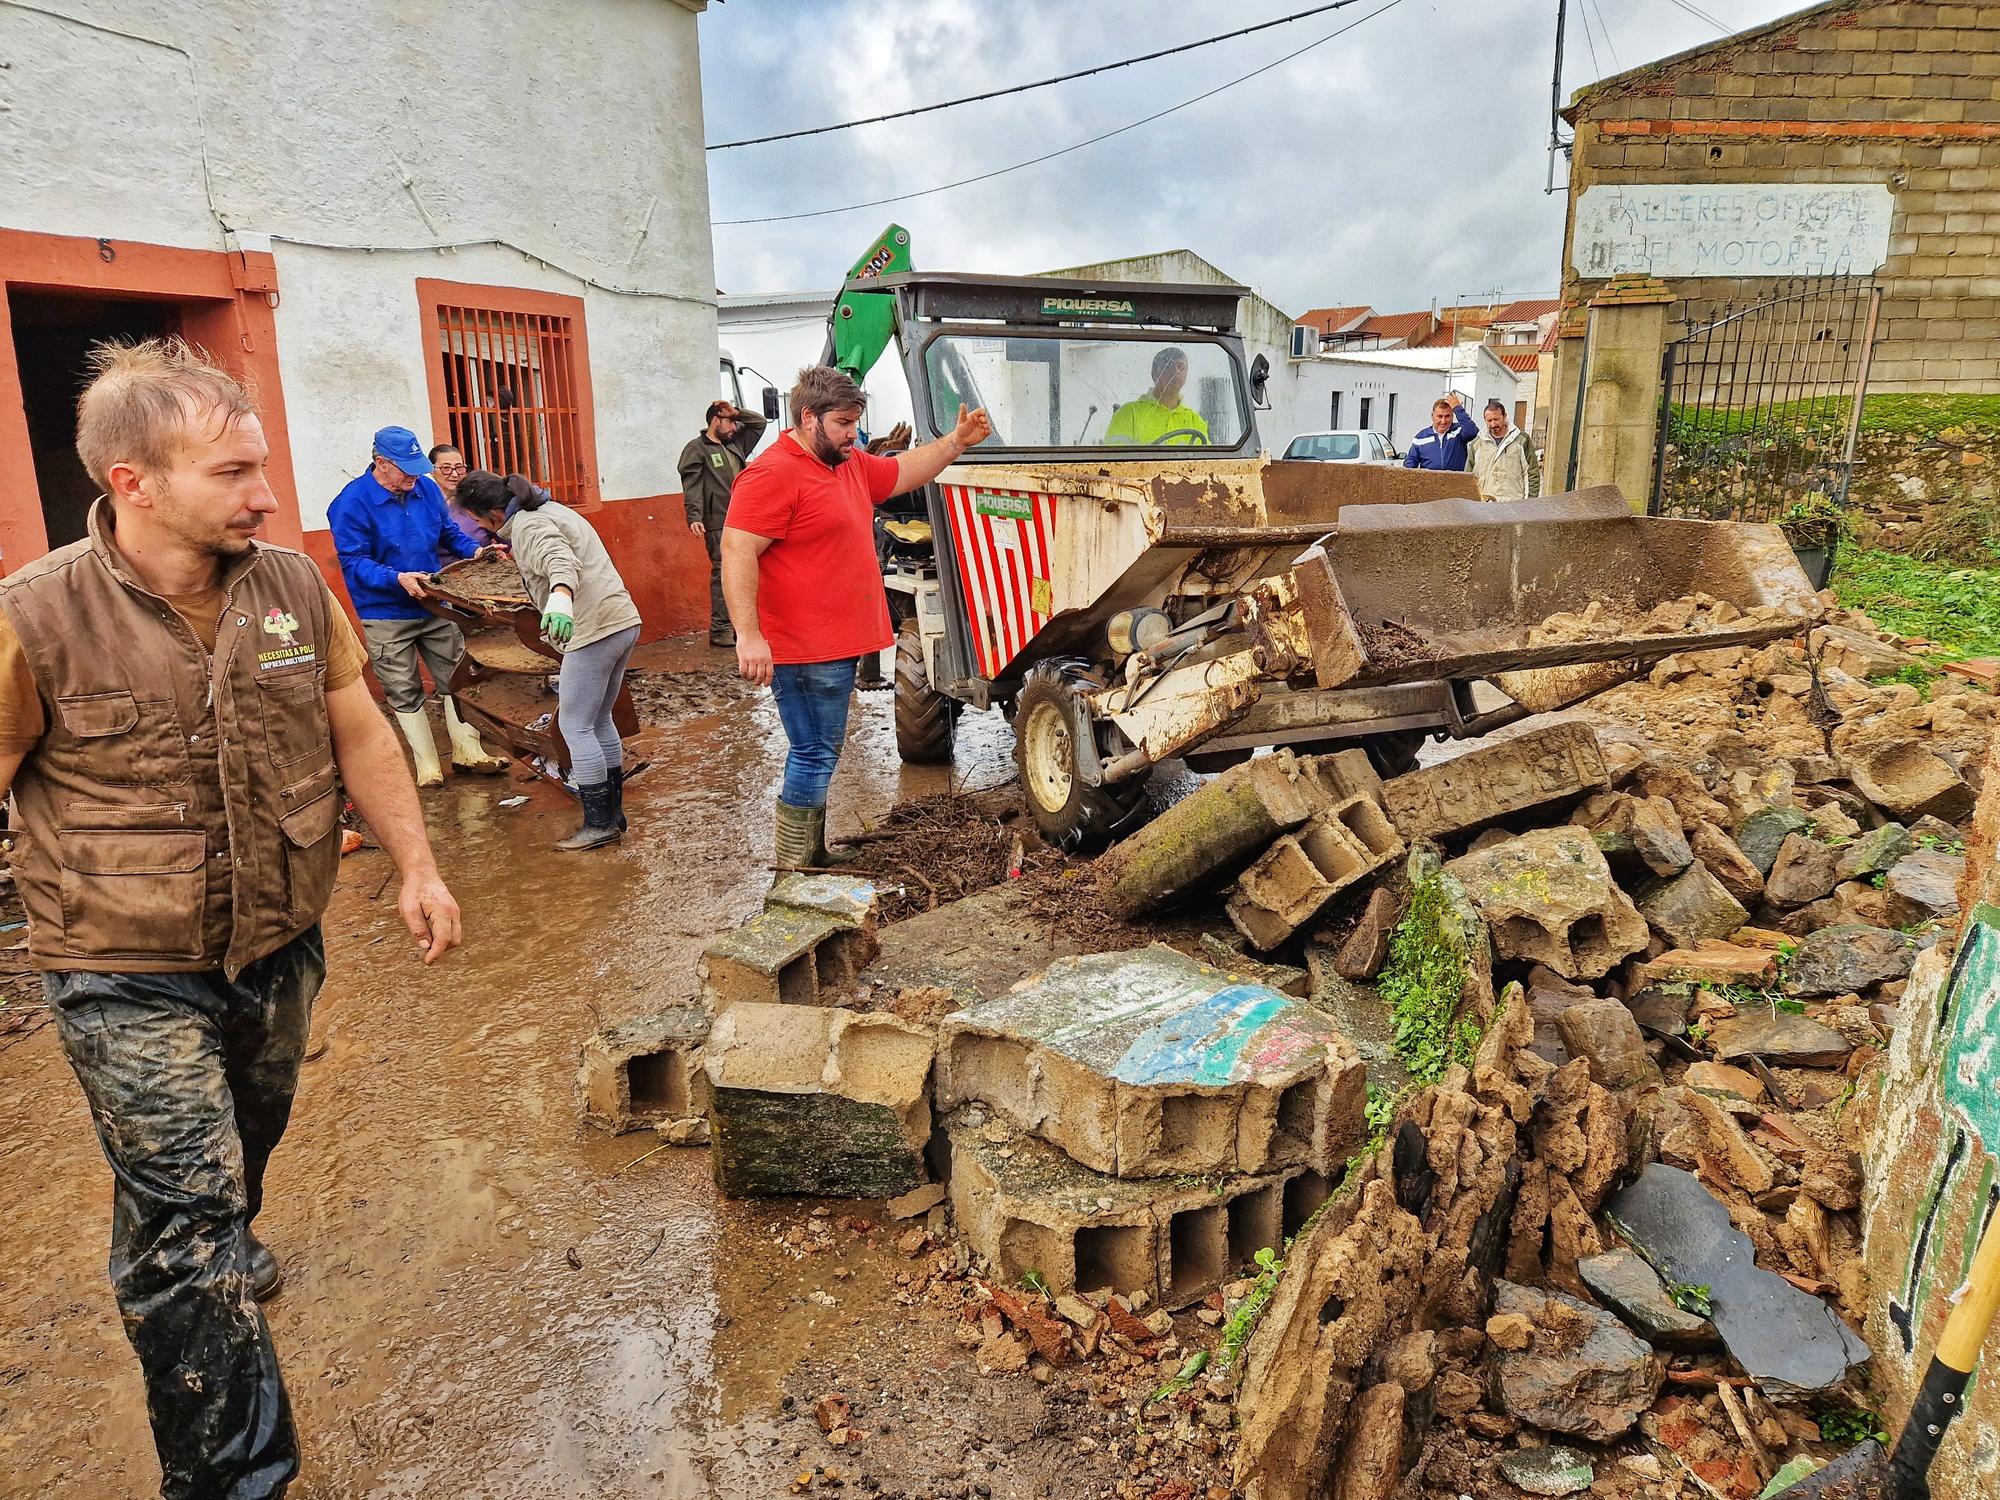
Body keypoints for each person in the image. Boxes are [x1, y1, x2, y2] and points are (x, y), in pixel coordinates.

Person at [0, 338, 462, 1499]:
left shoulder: (292, 585)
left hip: (275, 939)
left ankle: (199, 1214)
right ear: (133, 482)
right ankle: (233, 1478)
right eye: (234, 472)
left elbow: (355, 719)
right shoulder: (34, 618)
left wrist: (415, 862)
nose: (266, 494)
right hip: (119, 961)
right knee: (188, 1234)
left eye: (263, 467)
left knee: (235, 1149)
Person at [723, 366, 991, 868]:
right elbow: (737, 551)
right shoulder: (771, 474)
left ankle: (808, 853)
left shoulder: (845, 464)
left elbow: (903, 471)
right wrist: (749, 637)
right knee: (813, 753)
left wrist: (955, 442)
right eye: (844, 423)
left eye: (855, 423)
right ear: (808, 418)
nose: (853, 434)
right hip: (803, 647)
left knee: (822, 751)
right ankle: (796, 866)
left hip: (836, 643)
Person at [455, 471, 643, 850]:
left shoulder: (528, 524)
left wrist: (559, 600)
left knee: (575, 726)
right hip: (621, 620)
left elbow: (560, 562)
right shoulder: (549, 507)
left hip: (592, 630)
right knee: (598, 718)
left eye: (476, 520)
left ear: (492, 513)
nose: (478, 527)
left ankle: (598, 823)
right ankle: (614, 814)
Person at [327, 426, 509, 784]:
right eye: (406, 468)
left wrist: (476, 552)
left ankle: (468, 752)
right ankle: (427, 766)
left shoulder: (424, 488)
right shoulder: (351, 503)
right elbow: (354, 561)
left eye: (417, 467)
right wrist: (398, 578)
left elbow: (448, 533)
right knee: (402, 686)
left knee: (455, 675)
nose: (414, 476)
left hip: (435, 603)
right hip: (385, 612)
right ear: (381, 463)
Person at [678, 400, 768, 647]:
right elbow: (692, 486)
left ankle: (741, 628)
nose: (734, 427)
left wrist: (736, 413)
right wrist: (694, 516)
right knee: (723, 574)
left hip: (743, 518)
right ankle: (720, 630)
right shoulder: (697, 449)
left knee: (746, 572)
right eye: (728, 421)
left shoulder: (735, 442)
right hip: (718, 521)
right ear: (715, 420)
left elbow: (759, 423)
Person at [1105, 346, 1209, 446]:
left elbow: (1207, 462)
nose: (1176, 372)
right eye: (1168, 367)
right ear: (1154, 373)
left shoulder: (1195, 421)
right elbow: (1115, 462)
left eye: (1181, 367)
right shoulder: (1128, 415)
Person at [1469, 398, 1540, 500]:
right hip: (1485, 505)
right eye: (1489, 420)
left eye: (1496, 419)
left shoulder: (1520, 440)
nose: (1493, 424)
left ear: (1504, 416)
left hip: (1513, 504)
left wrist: (1529, 503)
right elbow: (1470, 477)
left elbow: (1531, 473)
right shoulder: (1477, 444)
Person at [430, 442, 495, 551]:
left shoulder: (476, 503)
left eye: (459, 468)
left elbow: (505, 539)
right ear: (432, 470)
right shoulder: (425, 504)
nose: (454, 474)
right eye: (446, 468)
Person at [1402, 391, 1480, 471]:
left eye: (1447, 416)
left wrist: (1458, 408)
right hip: (1429, 482)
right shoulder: (1420, 437)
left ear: (1453, 415)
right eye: (1440, 416)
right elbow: (1411, 460)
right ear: (1432, 416)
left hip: (1456, 481)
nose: (1443, 421)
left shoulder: (1459, 431)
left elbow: (1473, 432)